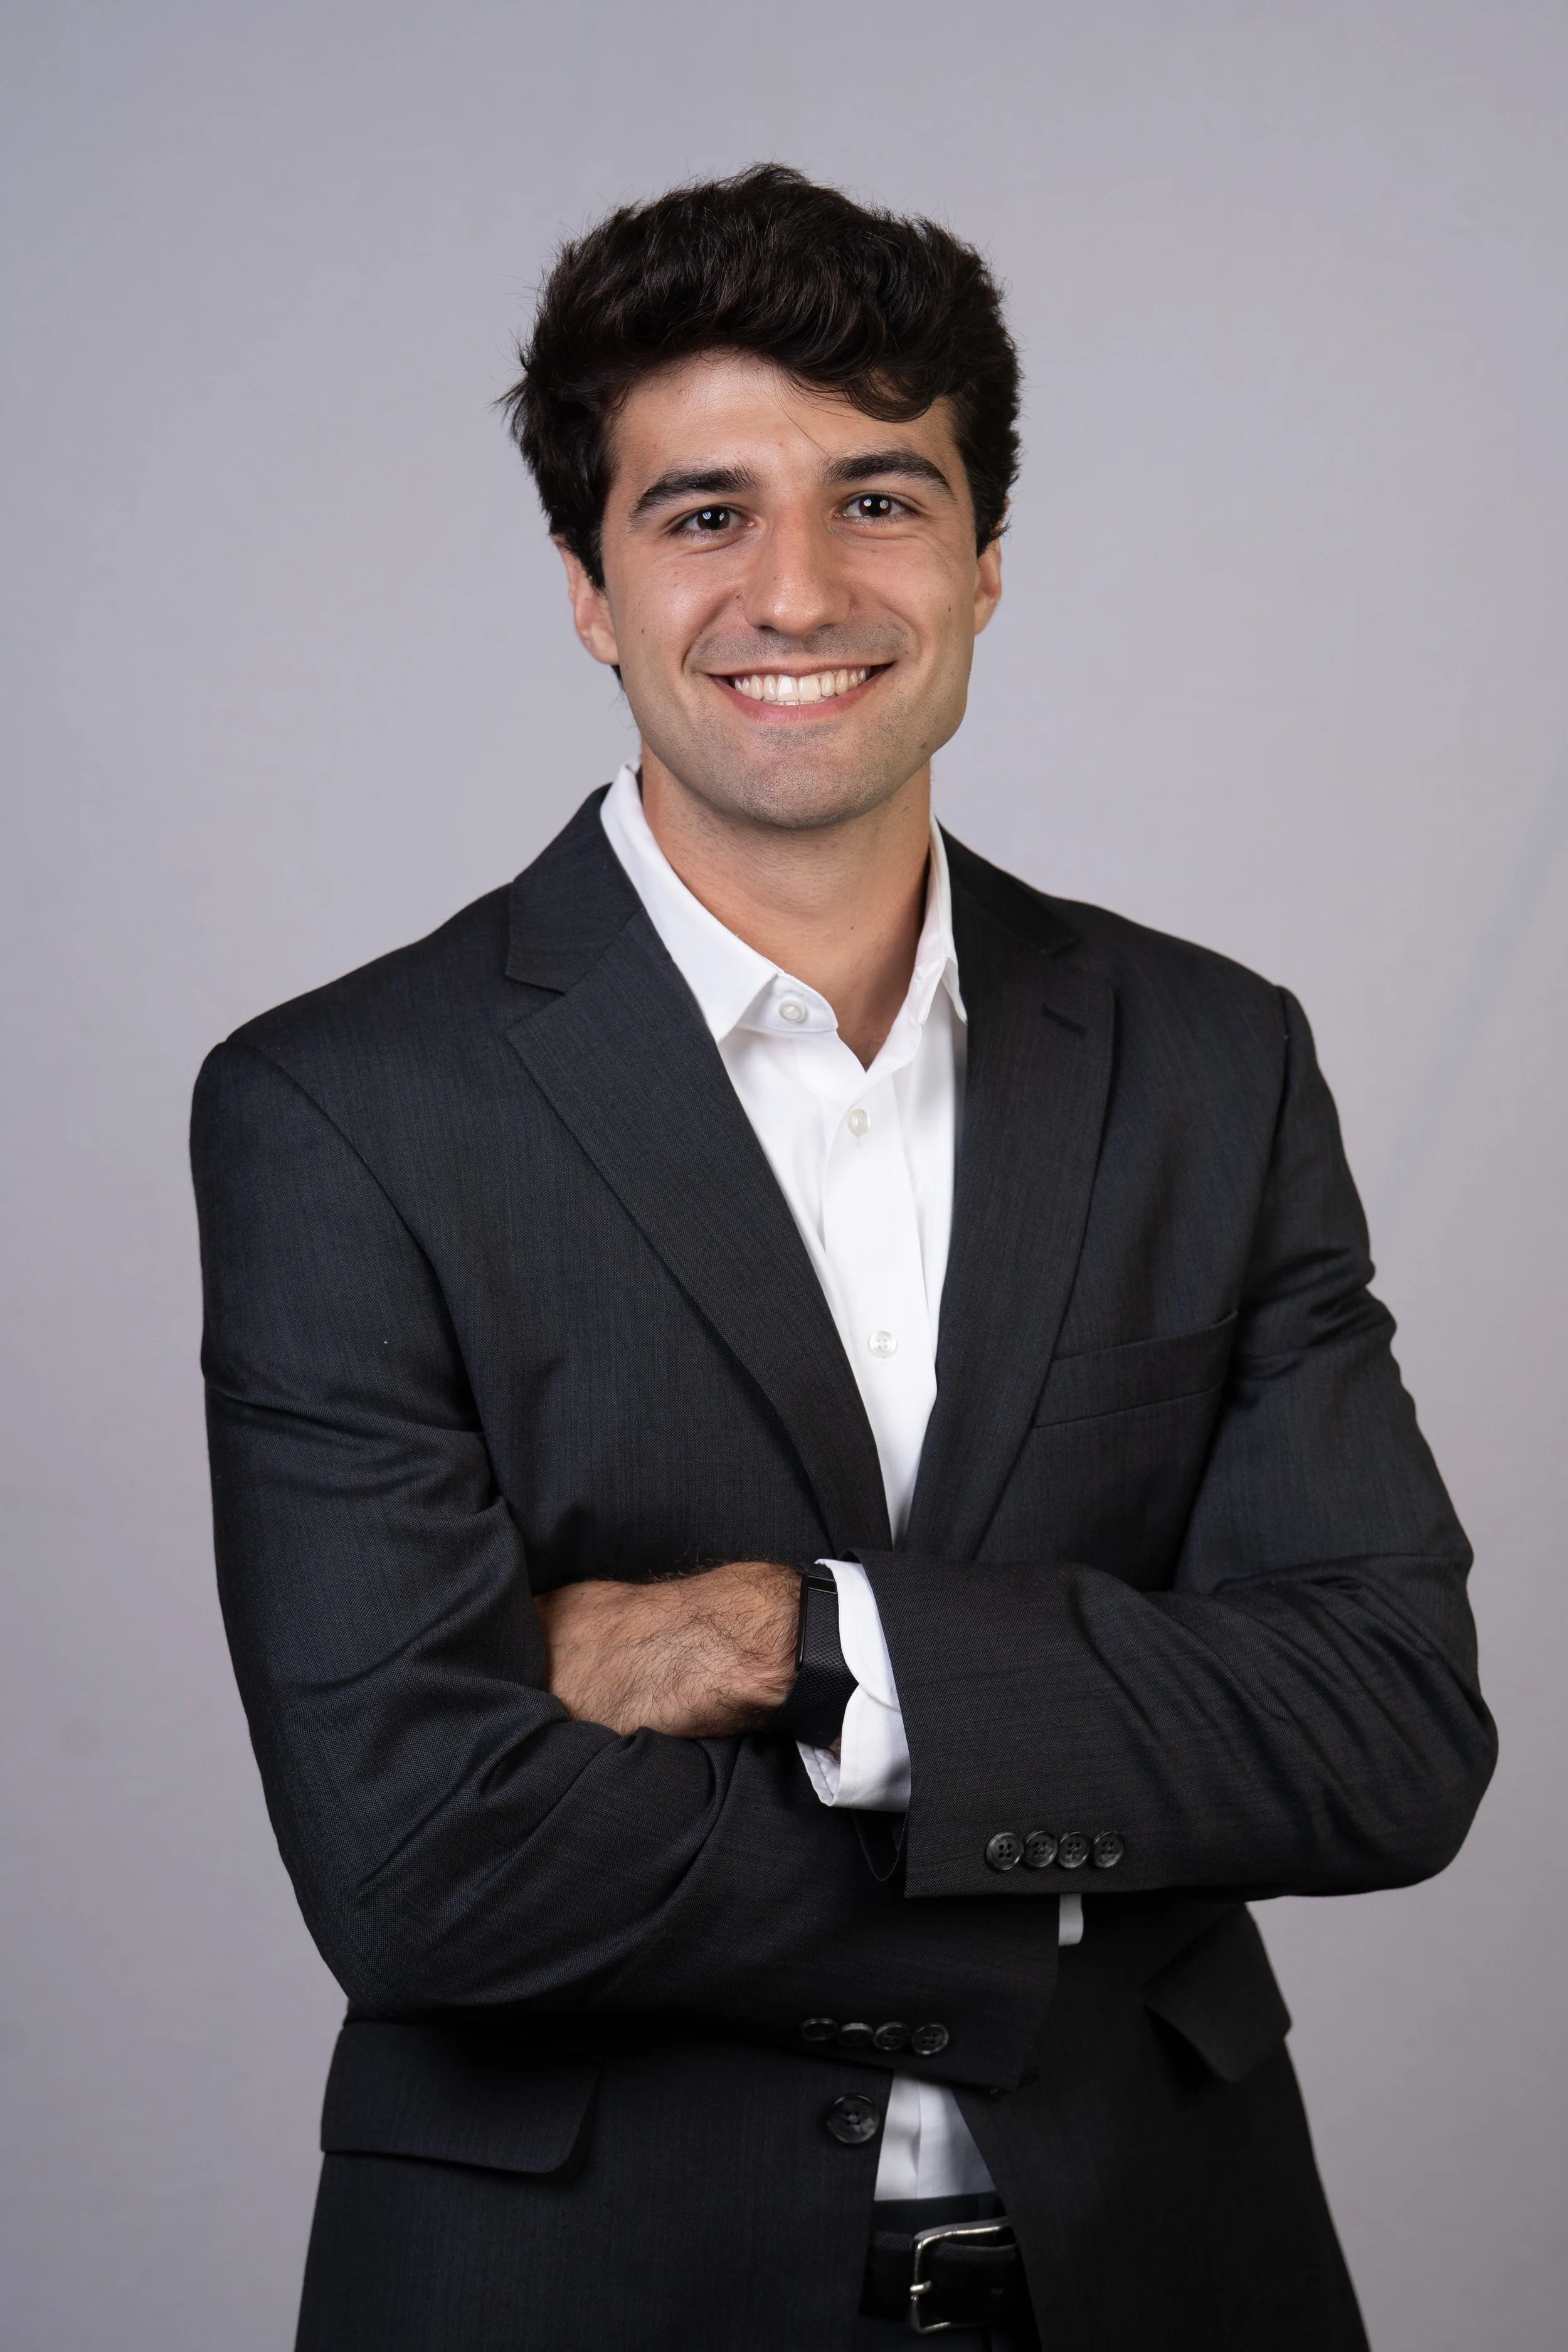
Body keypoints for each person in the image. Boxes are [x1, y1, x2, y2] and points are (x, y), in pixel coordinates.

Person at [190, 164, 1496, 2351]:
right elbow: (414, 1849)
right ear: (590, 591)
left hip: (1173, 2266)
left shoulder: (1210, 1056)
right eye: (700, 512)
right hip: (572, 2288)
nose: (794, 587)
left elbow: (1383, 1729)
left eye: (878, 498)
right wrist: (1061, 1858)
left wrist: (787, 1638)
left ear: (983, 561)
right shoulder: (342, 1105)